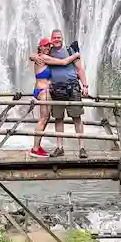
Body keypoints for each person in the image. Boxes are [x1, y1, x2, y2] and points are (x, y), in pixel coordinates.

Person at [33, 29, 89, 159]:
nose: (57, 39)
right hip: (55, 90)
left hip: (72, 88)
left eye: (59, 37)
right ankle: (59, 147)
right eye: (54, 38)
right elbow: (38, 55)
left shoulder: (70, 50)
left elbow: (80, 69)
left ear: (62, 38)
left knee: (77, 117)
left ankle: (82, 148)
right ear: (51, 40)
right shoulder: (49, 52)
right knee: (58, 118)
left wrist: (85, 86)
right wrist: (33, 56)